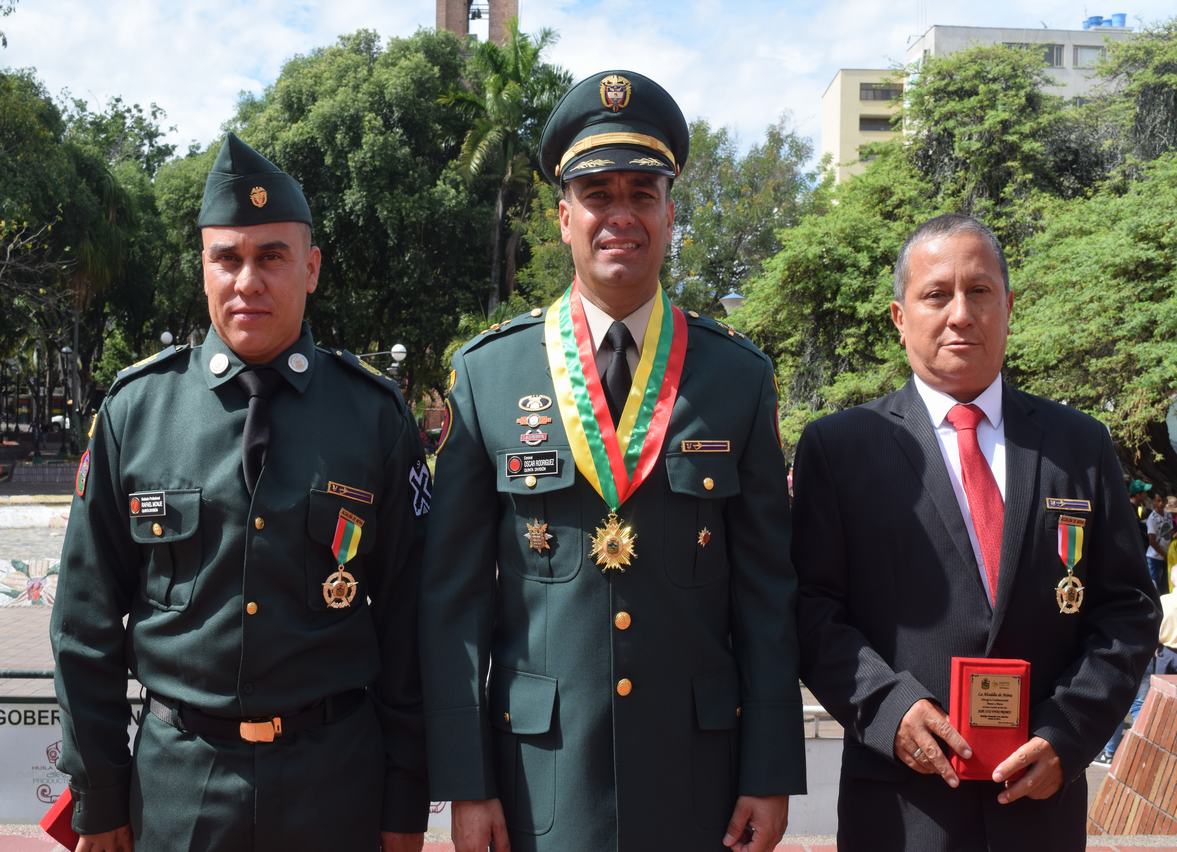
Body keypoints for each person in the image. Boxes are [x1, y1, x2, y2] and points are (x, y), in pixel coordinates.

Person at [419, 70, 805, 852]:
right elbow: (453, 601)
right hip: (539, 778)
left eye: (641, 192)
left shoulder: (736, 377)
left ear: (670, 214)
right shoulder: (490, 375)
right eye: (597, 194)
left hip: (698, 778)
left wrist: (769, 769)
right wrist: (467, 782)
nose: (618, 215)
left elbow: (766, 593)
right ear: (564, 218)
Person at [51, 133, 429, 852]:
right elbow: (85, 625)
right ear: (203, 268)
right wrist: (99, 796)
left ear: (311, 268)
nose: (247, 280)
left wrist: (404, 801)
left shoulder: (373, 416)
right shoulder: (137, 410)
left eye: (272, 257)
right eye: (227, 257)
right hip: (178, 781)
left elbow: (409, 623)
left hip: (336, 783)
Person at [792, 213, 1160, 851]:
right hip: (901, 812)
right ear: (899, 316)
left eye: (980, 291)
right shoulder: (840, 448)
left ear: (1008, 306)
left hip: (1039, 809)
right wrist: (889, 708)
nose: (959, 313)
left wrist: (1069, 733)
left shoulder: (1079, 444)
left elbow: (1126, 609)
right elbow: (809, 608)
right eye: (936, 294)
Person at [1146, 490, 1172, 591]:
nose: (1161, 503)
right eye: (1158, 501)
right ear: (1154, 502)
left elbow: (1169, 532)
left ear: (1166, 501)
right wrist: (1164, 555)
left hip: (1166, 556)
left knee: (1165, 585)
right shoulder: (1152, 519)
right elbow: (1152, 541)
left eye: (1163, 500)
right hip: (1155, 558)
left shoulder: (1168, 515)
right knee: (1154, 585)